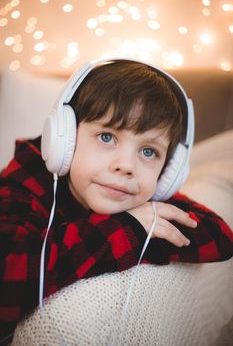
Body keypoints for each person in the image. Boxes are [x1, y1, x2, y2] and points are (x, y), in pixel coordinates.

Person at [0, 59, 232, 345]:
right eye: (107, 136)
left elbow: (220, 239)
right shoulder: (23, 184)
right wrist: (130, 229)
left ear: (168, 173)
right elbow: (9, 282)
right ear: (64, 140)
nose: (126, 165)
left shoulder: (143, 195)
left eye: (148, 152)